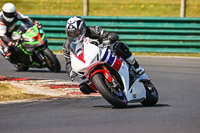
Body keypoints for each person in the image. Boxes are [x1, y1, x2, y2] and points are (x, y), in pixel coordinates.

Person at [63, 16, 145, 94]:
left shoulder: (92, 30)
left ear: (82, 29)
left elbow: (110, 35)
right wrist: (71, 71)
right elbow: (68, 62)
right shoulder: (67, 45)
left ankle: (137, 67)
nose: (73, 34)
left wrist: (108, 39)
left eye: (76, 31)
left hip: (101, 51)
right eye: (70, 33)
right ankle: (106, 88)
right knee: (83, 87)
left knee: (119, 46)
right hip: (86, 64)